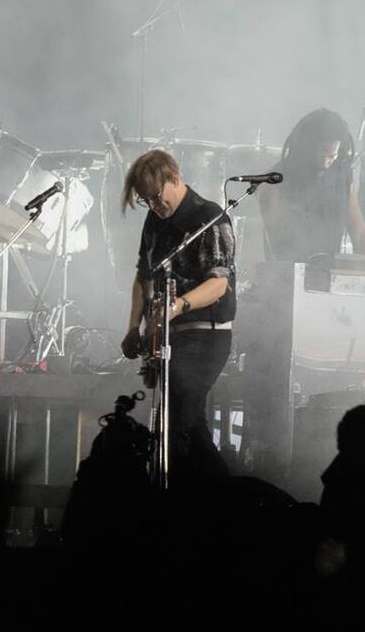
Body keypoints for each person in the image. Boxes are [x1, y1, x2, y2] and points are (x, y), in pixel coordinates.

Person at [120, 149, 233, 489]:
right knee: (190, 428)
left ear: (175, 179)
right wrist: (133, 326)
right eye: (146, 201)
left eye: (156, 197)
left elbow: (218, 283)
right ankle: (227, 500)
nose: (154, 206)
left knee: (175, 427)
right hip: (171, 337)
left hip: (206, 335)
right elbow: (144, 276)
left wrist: (179, 305)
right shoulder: (154, 221)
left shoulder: (208, 216)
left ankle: (175, 510)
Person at [260, 108, 365, 261]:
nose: (328, 162)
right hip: (289, 275)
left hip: (330, 272)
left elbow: (360, 236)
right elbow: (278, 247)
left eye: (332, 156)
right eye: (322, 153)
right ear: (305, 147)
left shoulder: (341, 175)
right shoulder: (274, 181)